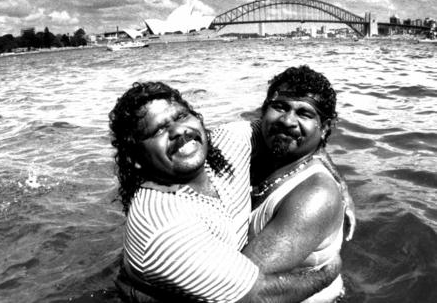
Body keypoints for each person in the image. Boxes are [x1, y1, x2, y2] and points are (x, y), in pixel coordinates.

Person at [109, 82, 340, 302]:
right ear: (135, 158)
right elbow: (258, 296)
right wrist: (328, 273)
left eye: (181, 116)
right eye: (158, 129)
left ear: (198, 119)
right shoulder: (163, 224)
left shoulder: (229, 144)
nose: (179, 130)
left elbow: (292, 133)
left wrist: (331, 177)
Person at [244, 65, 351, 302]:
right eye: (280, 106)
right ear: (263, 112)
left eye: (305, 113)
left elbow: (237, 290)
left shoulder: (316, 195)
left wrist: (325, 275)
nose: (287, 120)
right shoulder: (260, 158)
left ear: (324, 128)